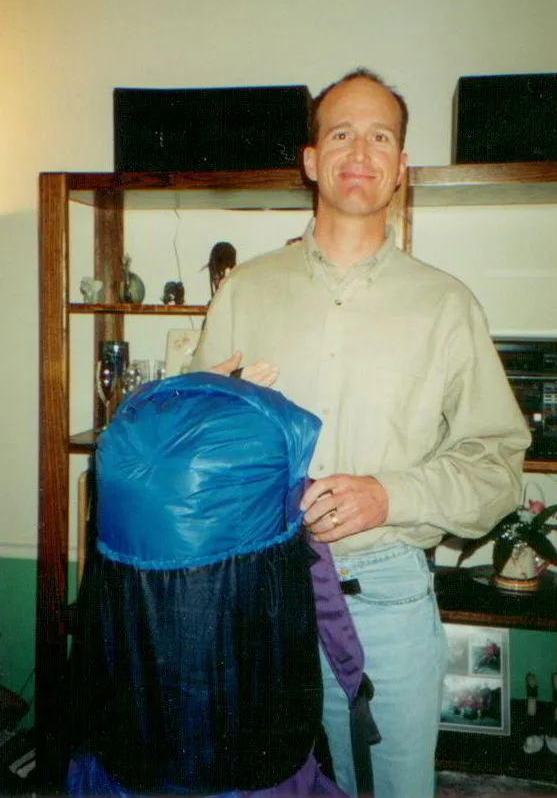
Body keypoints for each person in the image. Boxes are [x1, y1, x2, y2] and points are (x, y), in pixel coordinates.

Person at [190, 68, 531, 798]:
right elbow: (196, 459)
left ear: (400, 166)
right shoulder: (243, 291)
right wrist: (203, 420)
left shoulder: (446, 304)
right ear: (312, 159)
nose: (360, 150)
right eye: (341, 132)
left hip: (386, 598)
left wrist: (389, 494)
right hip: (259, 595)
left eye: (381, 136)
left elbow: (497, 464)